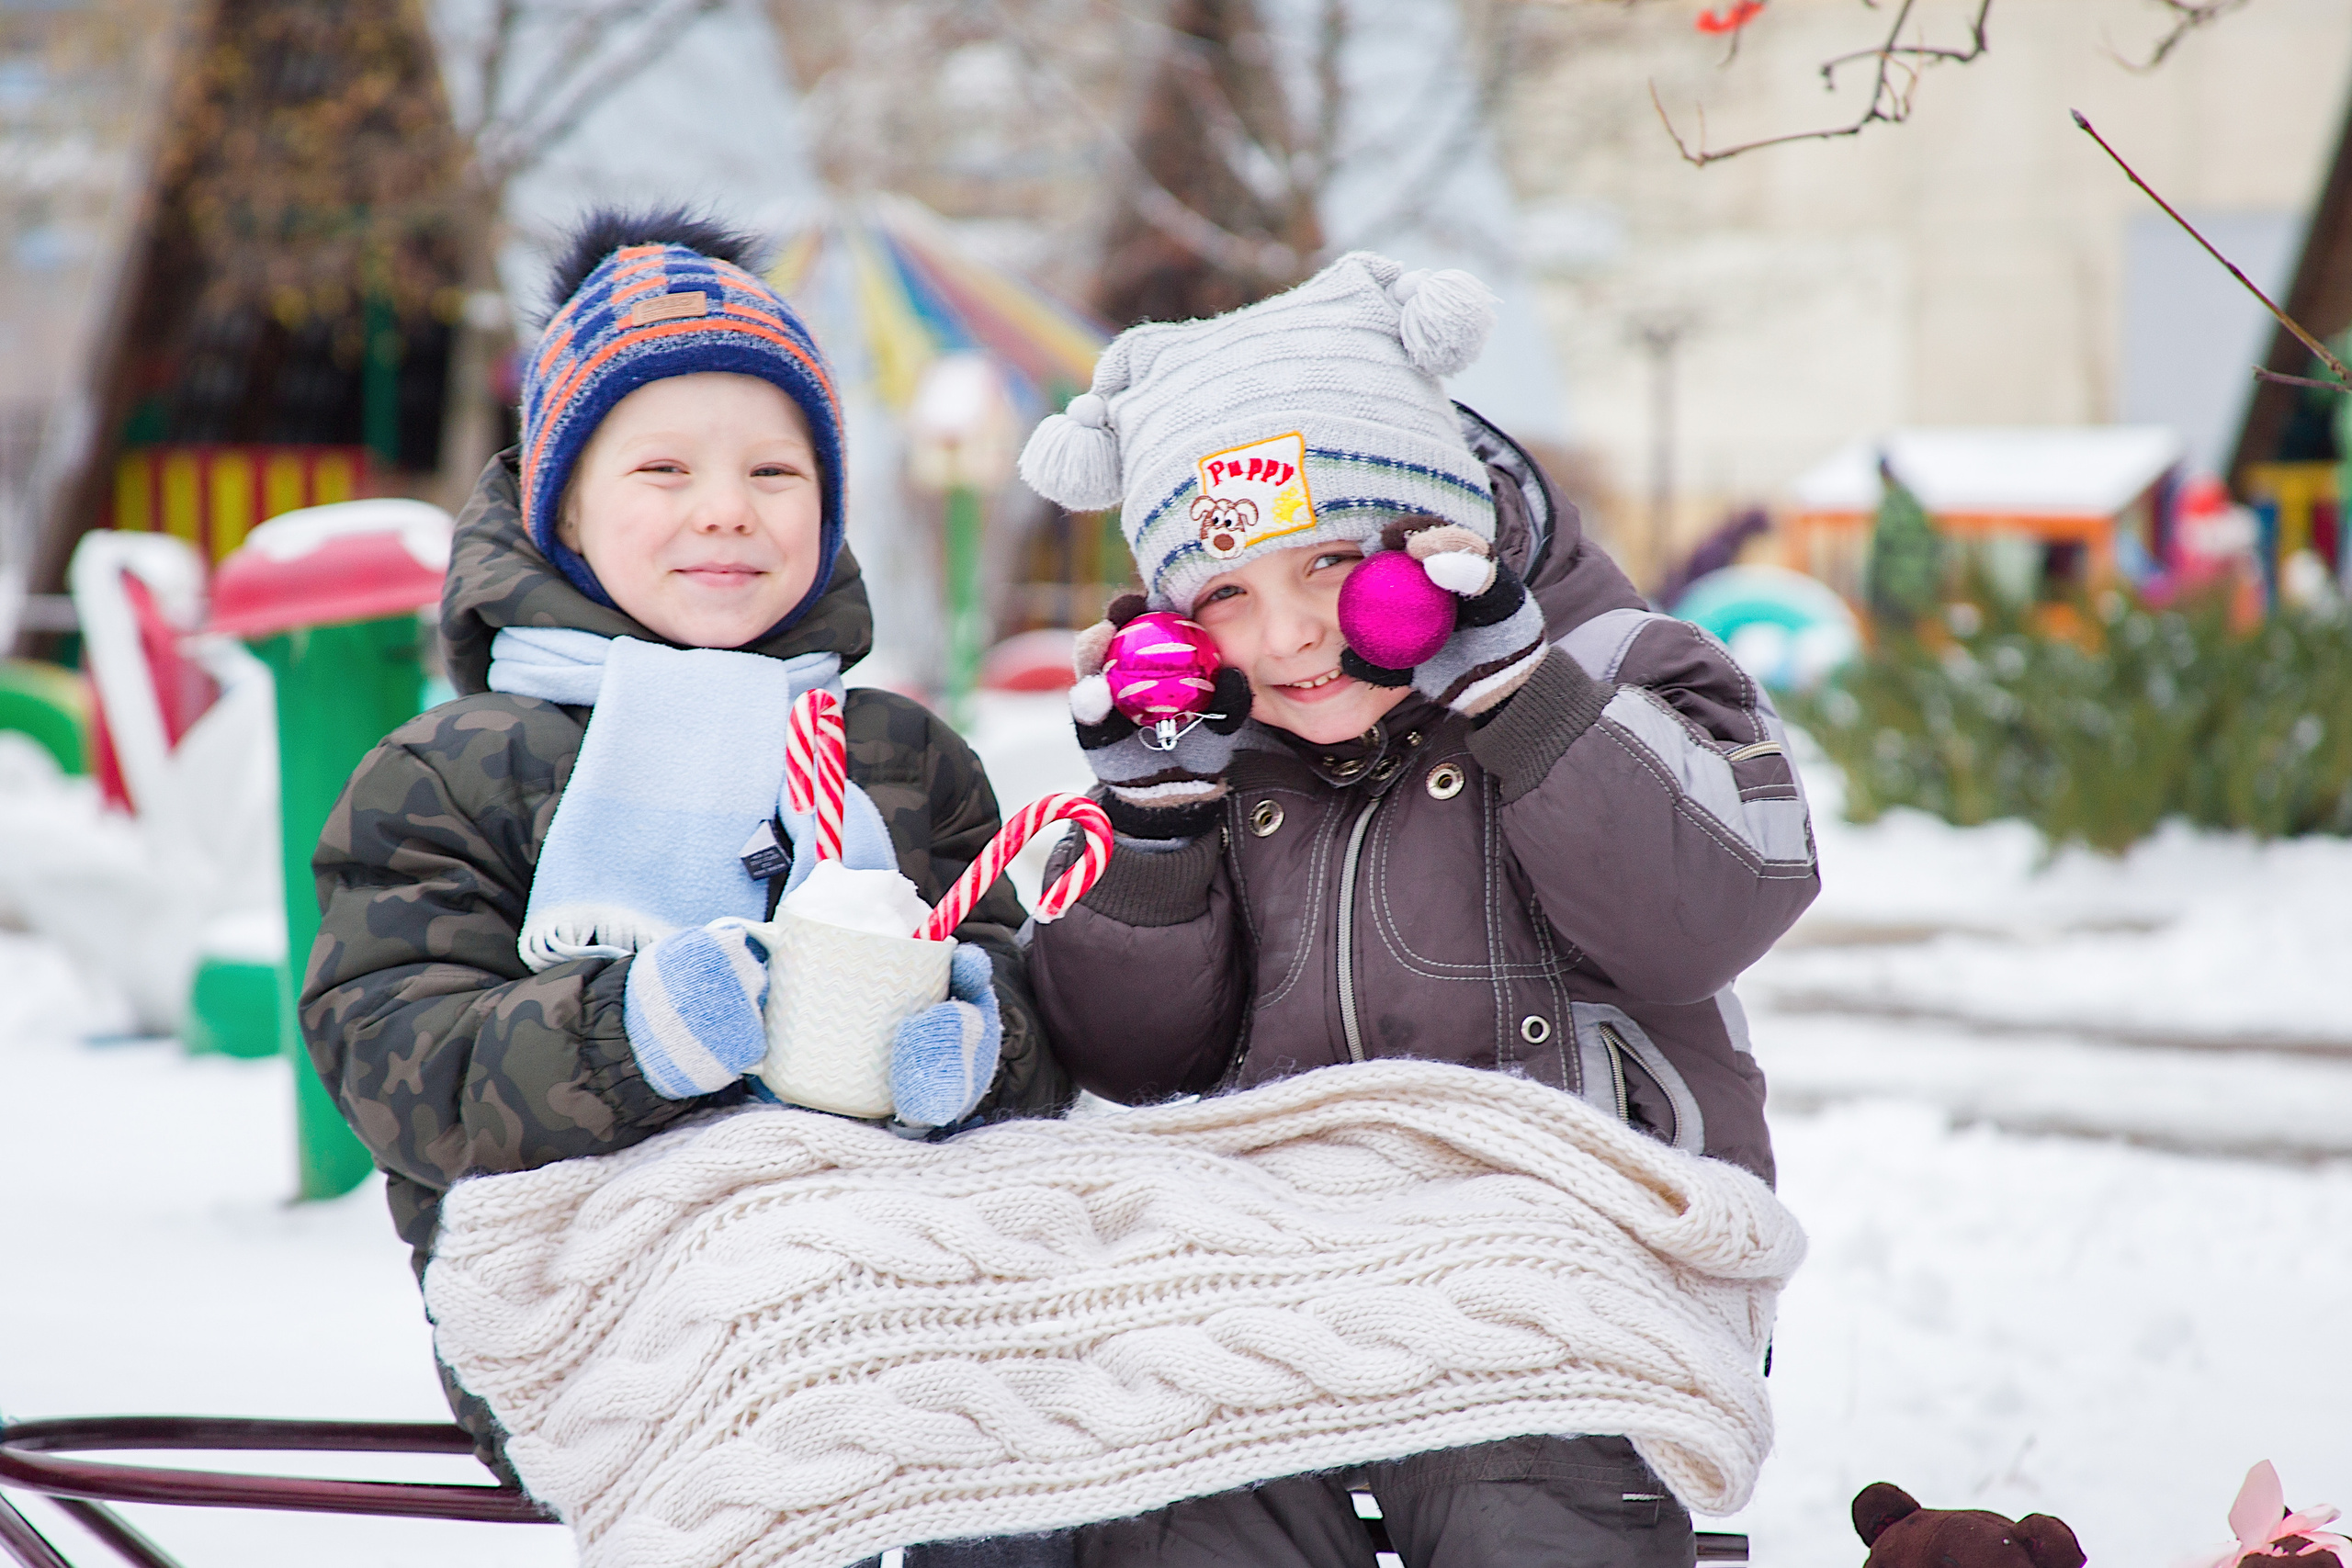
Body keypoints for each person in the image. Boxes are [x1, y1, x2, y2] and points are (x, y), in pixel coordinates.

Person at [1018, 251, 1820, 1567]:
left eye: (1333, 565)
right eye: (1225, 595)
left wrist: (1525, 703)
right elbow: (1129, 1056)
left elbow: (1710, 917)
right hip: (1279, 1299)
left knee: (1528, 1502)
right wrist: (1157, 837)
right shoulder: (1208, 762)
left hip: (1568, 1292)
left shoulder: (1620, 669)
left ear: (1438, 540)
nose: (1286, 640)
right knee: (1179, 1505)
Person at [300, 210, 1069, 1487]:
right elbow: (395, 1062)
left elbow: (1018, 975)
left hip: (898, 1262)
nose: (727, 511)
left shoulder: (895, 754)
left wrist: (990, 1050)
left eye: (776, 475)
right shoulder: (452, 770)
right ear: (565, 509)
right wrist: (633, 1030)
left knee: (1060, 1410)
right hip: (586, 1294)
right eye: (664, 474)